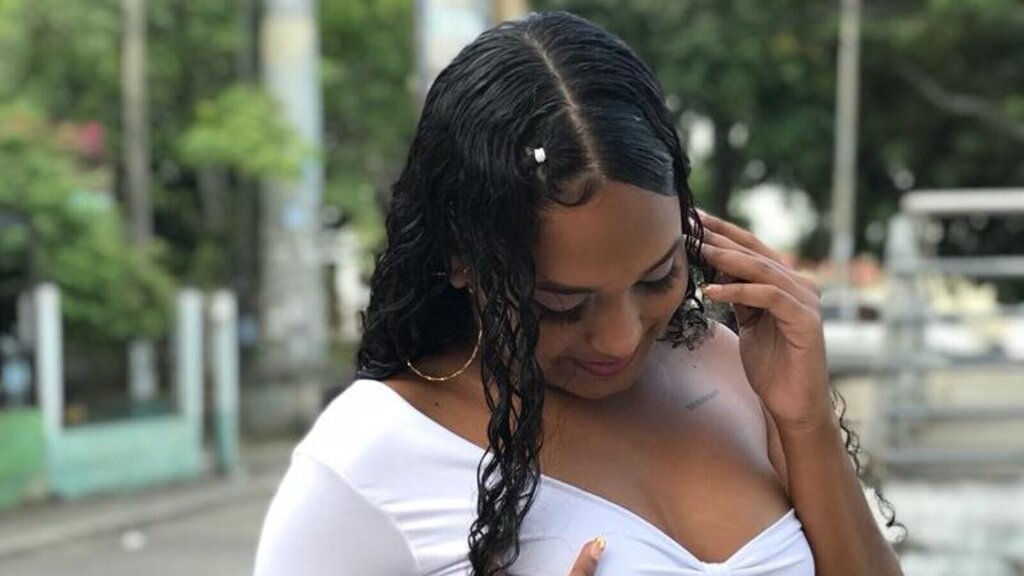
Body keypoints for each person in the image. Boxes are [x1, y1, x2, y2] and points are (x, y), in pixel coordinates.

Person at [254, 11, 904, 576]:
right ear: (461, 260)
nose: (620, 338)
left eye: (657, 277)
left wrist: (806, 422)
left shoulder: (737, 369)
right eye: (560, 305)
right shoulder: (369, 457)